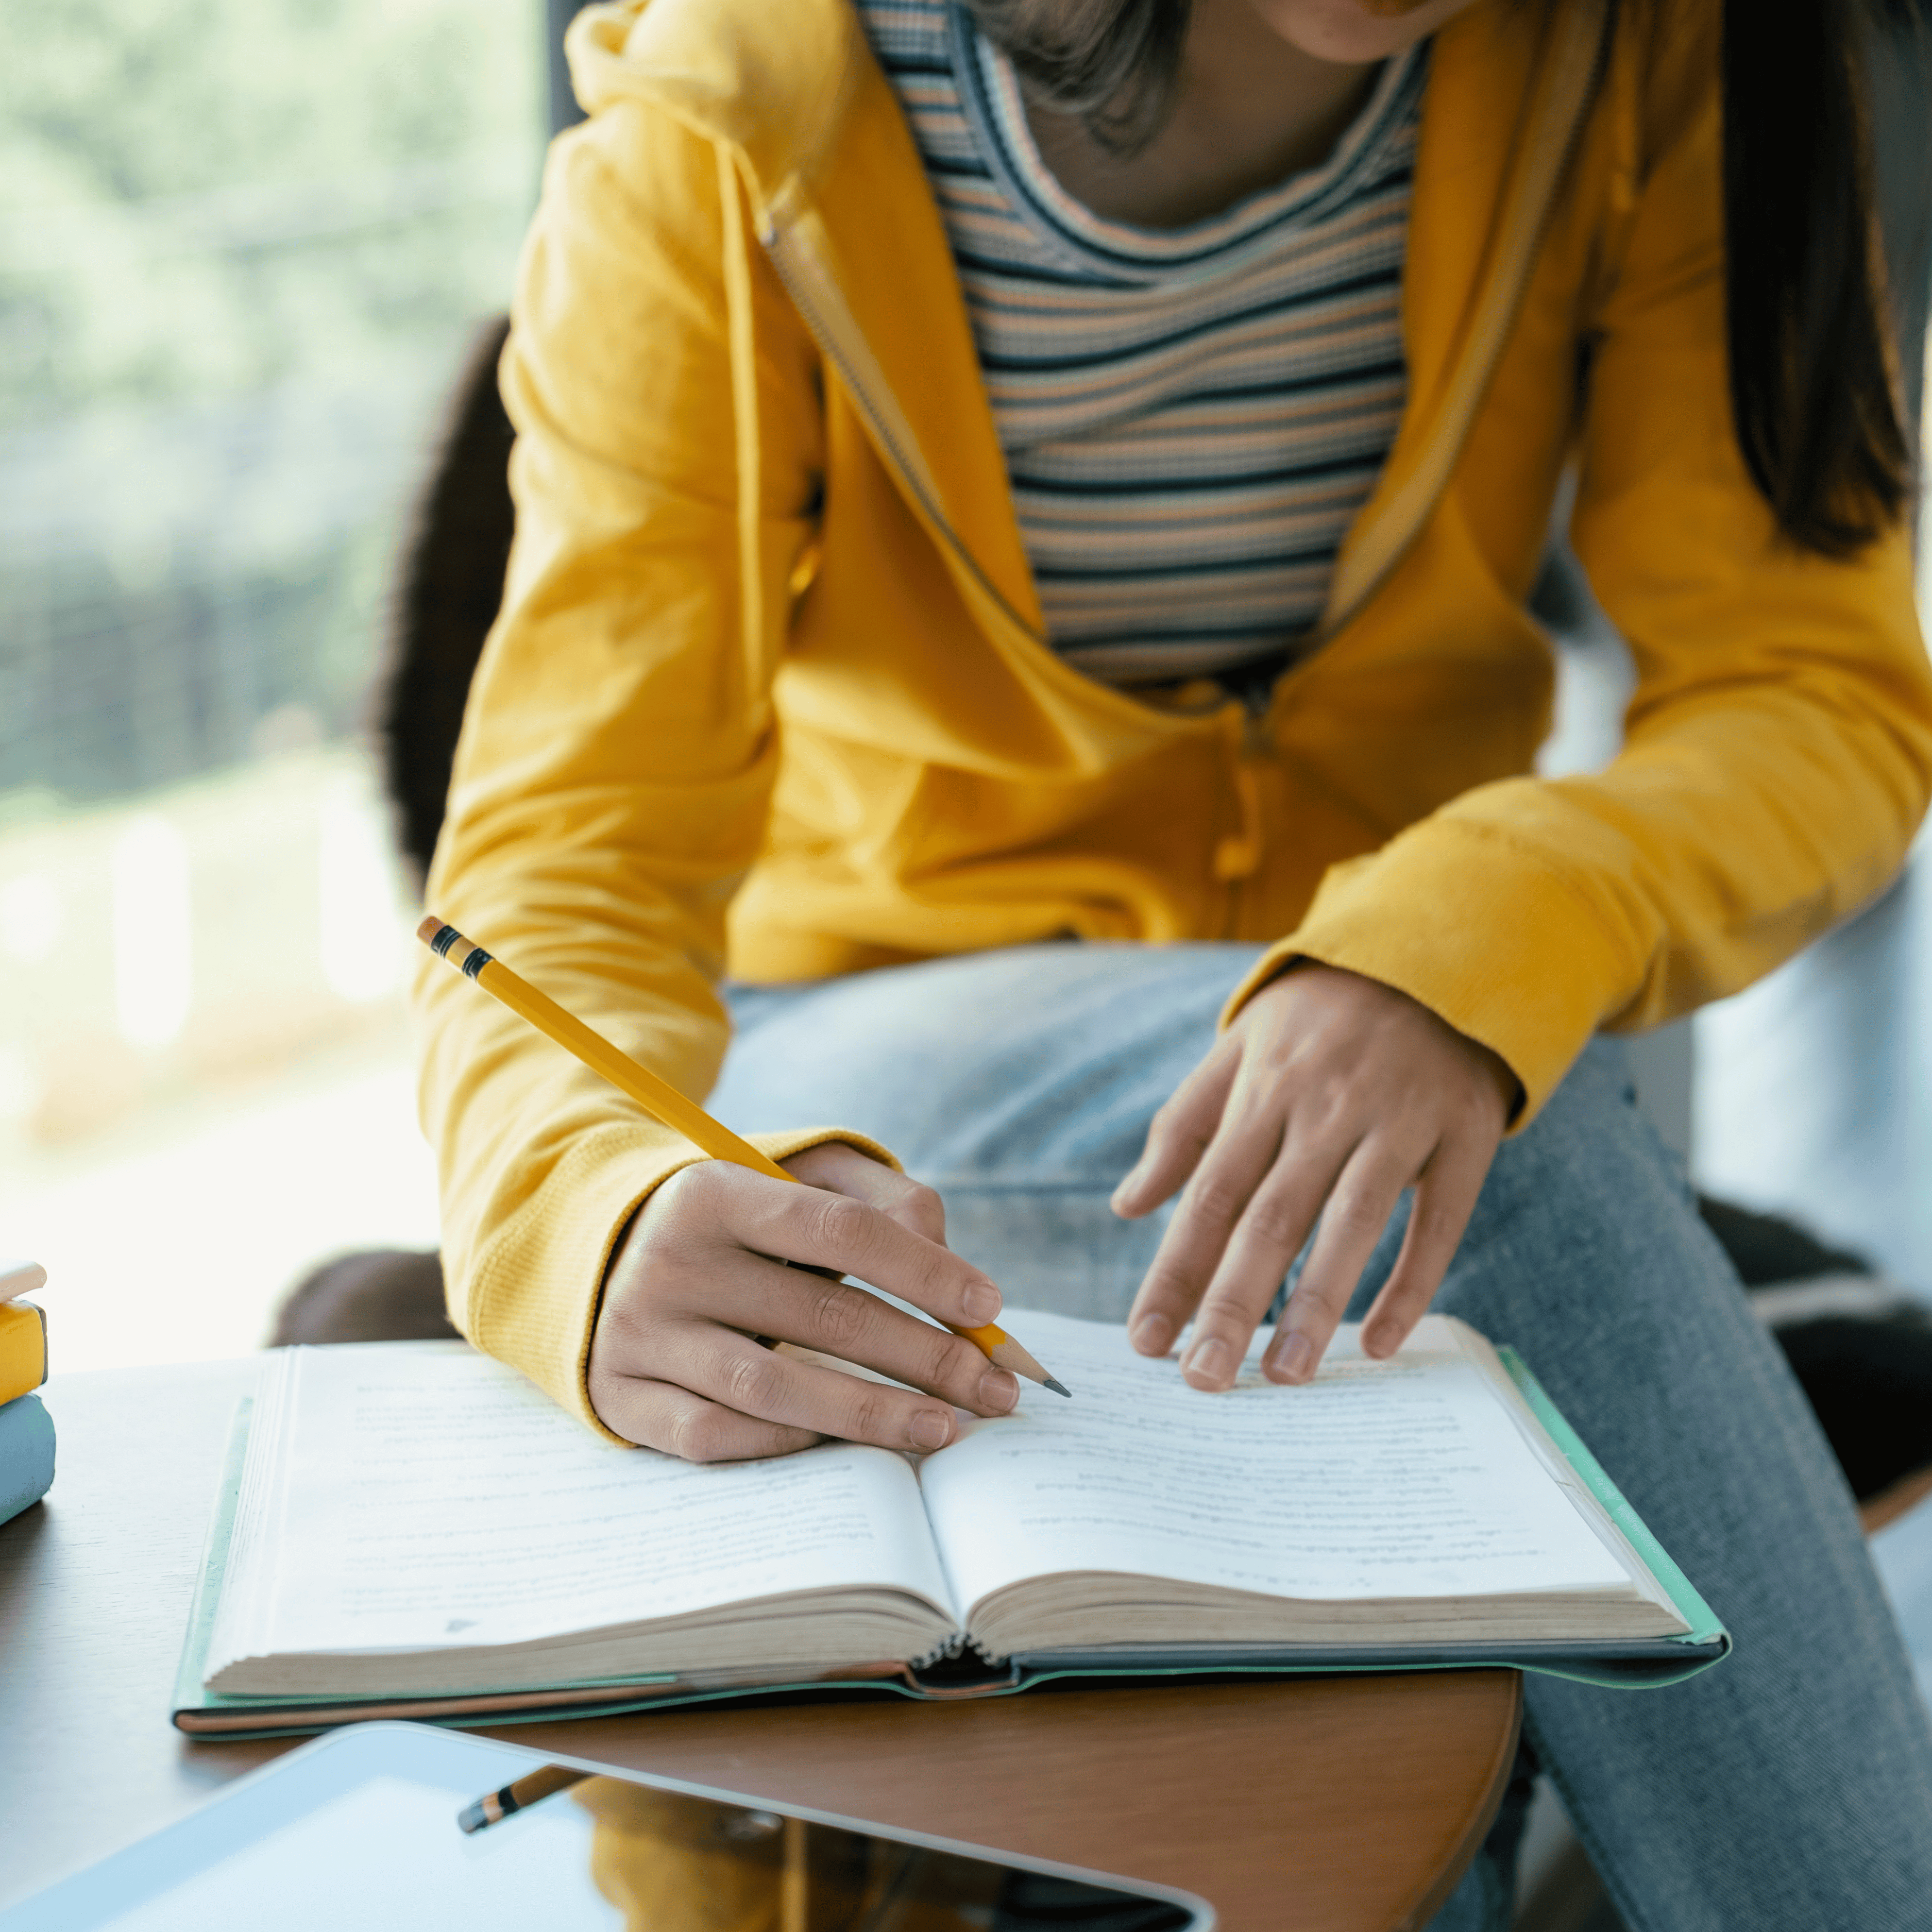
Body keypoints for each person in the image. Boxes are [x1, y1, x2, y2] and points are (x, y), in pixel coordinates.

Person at [413, 0, 1932, 1923]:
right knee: (1464, 1179)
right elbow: (565, 861)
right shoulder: (738, 111)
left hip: (1337, 1040)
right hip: (873, 1052)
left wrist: (1470, 931)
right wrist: (589, 1200)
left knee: (1399, 1452)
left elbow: (1812, 699)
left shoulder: (1637, 60)